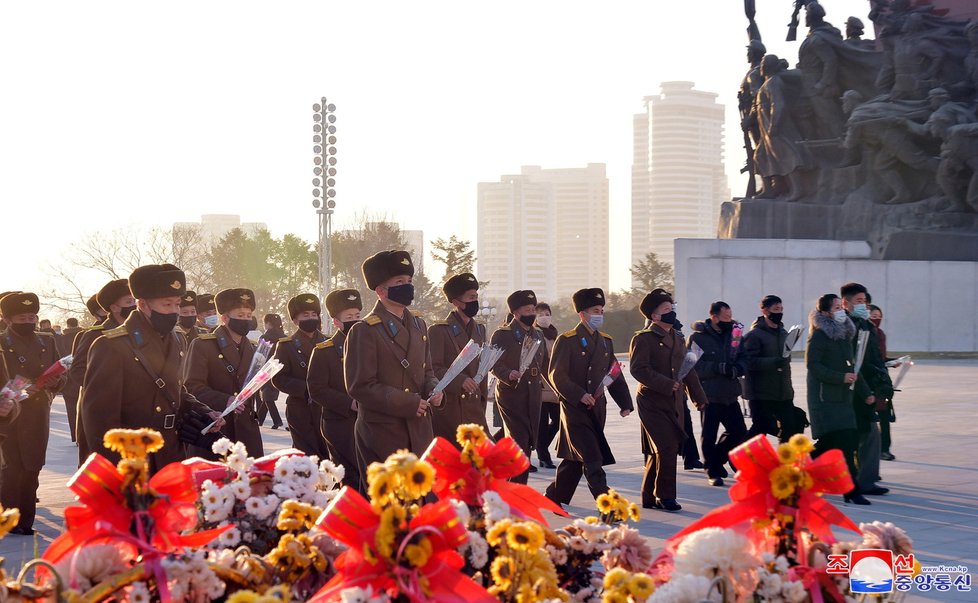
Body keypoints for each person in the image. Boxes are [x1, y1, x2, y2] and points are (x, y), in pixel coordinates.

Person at [81, 264, 224, 475]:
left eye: (177, 304)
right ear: (142, 304)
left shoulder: (176, 339)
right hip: (133, 459)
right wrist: (117, 469)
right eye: (167, 304)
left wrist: (203, 411)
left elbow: (175, 389)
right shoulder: (111, 345)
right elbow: (99, 418)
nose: (174, 312)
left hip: (171, 451)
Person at [345, 250, 443, 490]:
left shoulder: (419, 324)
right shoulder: (364, 330)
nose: (407, 287)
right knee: (390, 505)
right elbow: (360, 386)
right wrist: (409, 402)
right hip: (383, 432)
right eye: (399, 283)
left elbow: (427, 372)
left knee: (420, 502)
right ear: (380, 291)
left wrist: (436, 390)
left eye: (408, 281)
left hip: (419, 429)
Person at [545, 288, 633, 508]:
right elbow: (556, 374)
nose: (600, 314)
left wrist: (624, 403)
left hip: (597, 409)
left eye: (601, 310)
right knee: (592, 458)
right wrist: (579, 394)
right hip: (575, 409)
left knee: (575, 459)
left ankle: (553, 497)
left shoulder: (605, 341)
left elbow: (613, 372)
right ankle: (607, 504)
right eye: (595, 310)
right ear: (582, 314)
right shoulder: (567, 340)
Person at [630, 289, 708, 511]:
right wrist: (665, 383)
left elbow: (688, 368)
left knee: (661, 449)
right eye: (666, 309)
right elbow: (638, 369)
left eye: (672, 308)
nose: (671, 313)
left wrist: (698, 397)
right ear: (654, 316)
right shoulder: (643, 338)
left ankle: (648, 496)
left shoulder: (678, 337)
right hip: (651, 401)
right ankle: (665, 496)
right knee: (667, 446)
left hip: (673, 401)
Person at [0, 292, 63, 535]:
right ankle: (11, 520)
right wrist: (24, 388)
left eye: (32, 316)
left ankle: (26, 519)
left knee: (33, 464)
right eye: (21, 317)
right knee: (12, 467)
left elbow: (60, 371)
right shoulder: (3, 344)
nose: (28, 321)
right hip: (9, 413)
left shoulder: (47, 341)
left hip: (38, 412)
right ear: (7, 319)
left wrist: (55, 380)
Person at [805, 293, 871, 505]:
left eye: (840, 307)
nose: (840, 311)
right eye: (835, 308)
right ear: (825, 312)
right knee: (845, 443)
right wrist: (840, 377)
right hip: (826, 399)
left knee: (830, 444)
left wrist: (866, 392)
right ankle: (851, 490)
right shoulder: (819, 335)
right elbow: (813, 366)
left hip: (844, 398)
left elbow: (853, 366)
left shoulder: (844, 335)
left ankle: (799, 472)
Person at [185, 288, 264, 458]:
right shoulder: (202, 345)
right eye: (240, 315)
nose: (245, 320)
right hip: (216, 426)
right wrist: (225, 399)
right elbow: (192, 386)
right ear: (224, 318)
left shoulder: (253, 348)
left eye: (248, 316)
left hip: (246, 430)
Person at [70, 278, 135, 465]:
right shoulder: (94, 334)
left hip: (133, 411)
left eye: (135, 301)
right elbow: (78, 370)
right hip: (102, 411)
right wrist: (106, 388)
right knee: (100, 466)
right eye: (128, 302)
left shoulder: (140, 331)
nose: (134, 306)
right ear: (114, 308)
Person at [490, 290, 549, 485]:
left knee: (528, 444)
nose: (531, 313)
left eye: (533, 309)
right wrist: (507, 374)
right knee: (520, 445)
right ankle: (516, 491)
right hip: (511, 395)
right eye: (527, 309)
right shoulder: (502, 334)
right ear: (516, 313)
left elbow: (546, 366)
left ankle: (508, 487)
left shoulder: (538, 334)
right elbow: (493, 363)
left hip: (533, 395)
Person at [689, 301, 748, 487]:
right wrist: (717, 367)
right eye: (725, 317)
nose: (729, 320)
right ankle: (712, 471)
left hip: (730, 393)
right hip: (709, 395)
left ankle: (717, 458)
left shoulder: (735, 335)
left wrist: (738, 368)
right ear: (714, 317)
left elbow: (744, 357)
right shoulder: (698, 338)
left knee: (739, 432)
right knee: (709, 434)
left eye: (730, 316)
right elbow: (693, 365)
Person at [308, 288, 362, 489]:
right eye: (349, 317)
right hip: (340, 423)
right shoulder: (324, 351)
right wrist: (349, 403)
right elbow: (317, 389)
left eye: (358, 315)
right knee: (349, 477)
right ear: (336, 322)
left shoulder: (369, 346)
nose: (355, 320)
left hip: (368, 422)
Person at [841, 283, 891, 497]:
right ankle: (863, 481)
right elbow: (854, 362)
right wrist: (866, 391)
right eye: (859, 302)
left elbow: (870, 358)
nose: (864, 306)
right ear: (846, 302)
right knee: (866, 433)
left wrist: (883, 371)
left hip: (864, 386)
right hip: (853, 390)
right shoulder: (846, 326)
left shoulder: (865, 325)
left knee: (863, 434)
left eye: (865, 302)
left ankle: (863, 479)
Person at [428, 273, 489, 442]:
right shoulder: (439, 330)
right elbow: (433, 368)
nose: (474, 302)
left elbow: (482, 368)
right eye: (470, 298)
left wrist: (482, 398)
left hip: (474, 407)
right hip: (451, 408)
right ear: (456, 302)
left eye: (476, 297)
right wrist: (460, 380)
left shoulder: (479, 330)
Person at [272, 293, 329, 458]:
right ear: (295, 321)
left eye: (314, 314)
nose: (311, 318)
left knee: (329, 456)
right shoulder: (286, 346)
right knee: (307, 455)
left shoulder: (328, 343)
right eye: (305, 315)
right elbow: (279, 378)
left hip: (326, 408)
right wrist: (307, 389)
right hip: (300, 409)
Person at [742, 294, 799, 442]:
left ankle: (785, 462)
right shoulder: (754, 335)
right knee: (760, 429)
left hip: (783, 392)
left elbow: (786, 360)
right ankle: (739, 456)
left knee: (791, 428)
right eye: (775, 309)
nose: (779, 312)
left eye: (781, 309)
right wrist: (774, 362)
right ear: (765, 311)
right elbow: (749, 362)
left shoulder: (784, 333)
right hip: (761, 393)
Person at [869, 304, 897, 461]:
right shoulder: (865, 333)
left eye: (879, 316)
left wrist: (893, 362)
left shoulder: (880, 334)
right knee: (871, 418)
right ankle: (874, 449)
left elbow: (881, 359)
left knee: (885, 416)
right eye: (873, 316)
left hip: (881, 382)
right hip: (869, 382)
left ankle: (885, 448)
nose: (877, 319)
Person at [534, 303, 560, 469]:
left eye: (547, 313)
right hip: (541, 384)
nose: (545, 316)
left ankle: (540, 447)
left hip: (555, 384)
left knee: (558, 421)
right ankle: (544, 455)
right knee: (541, 423)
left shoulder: (555, 334)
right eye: (541, 314)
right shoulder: (535, 335)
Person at [257, 313, 285, 429]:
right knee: (266, 395)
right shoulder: (284, 337)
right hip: (281, 368)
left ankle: (277, 420)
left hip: (267, 368)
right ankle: (259, 419)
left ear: (268, 324)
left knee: (267, 396)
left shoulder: (265, 337)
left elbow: (260, 355)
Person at [60, 316, 85, 442]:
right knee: (83, 409)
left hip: (67, 378)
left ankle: (75, 436)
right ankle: (83, 435)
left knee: (71, 409)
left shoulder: (61, 339)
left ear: (68, 325)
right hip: (83, 376)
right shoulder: (85, 335)